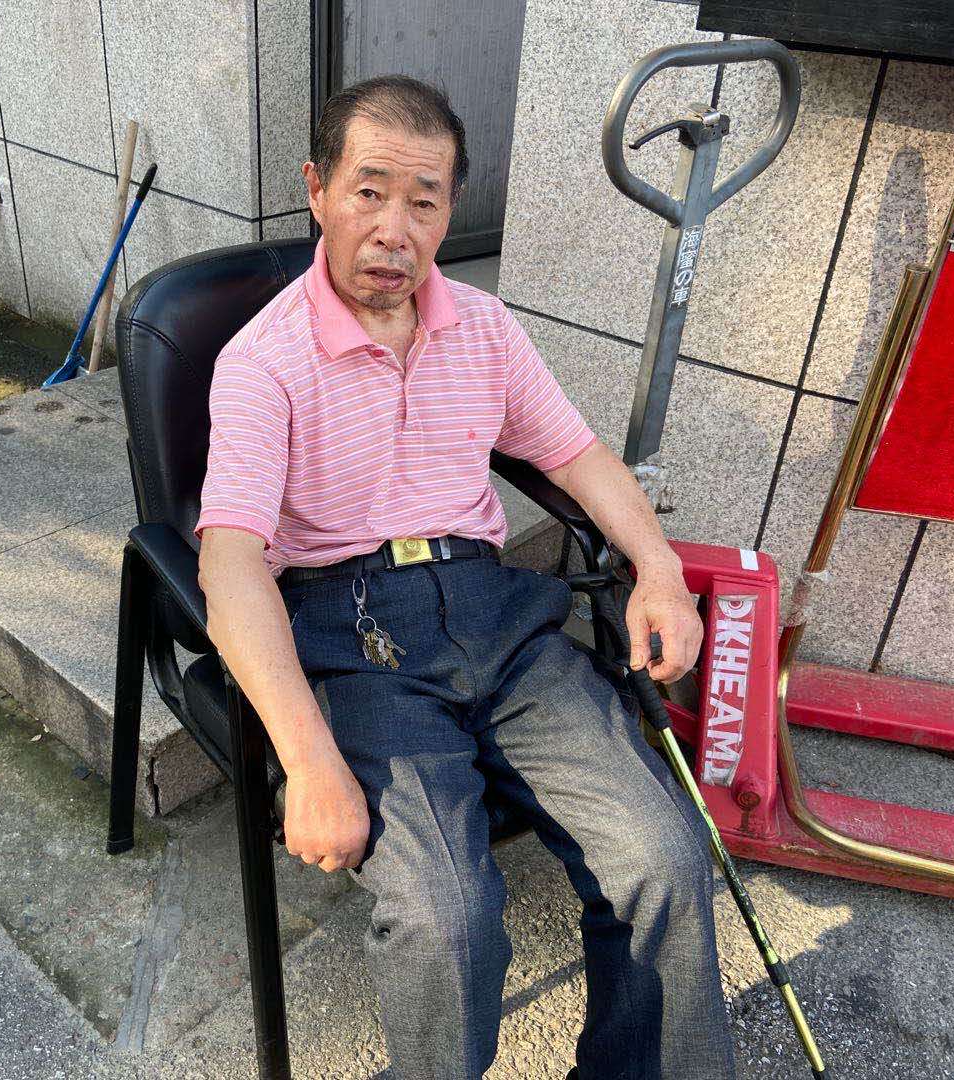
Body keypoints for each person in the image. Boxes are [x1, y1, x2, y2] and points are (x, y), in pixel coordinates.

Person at [194, 74, 735, 1080]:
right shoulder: (263, 361)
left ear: (450, 212)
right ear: (317, 190)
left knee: (663, 855)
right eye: (369, 192)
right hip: (354, 633)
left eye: (424, 201)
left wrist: (659, 569)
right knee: (446, 915)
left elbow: (577, 456)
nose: (393, 230)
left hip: (499, 615)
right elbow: (228, 562)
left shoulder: (482, 328)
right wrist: (308, 761)